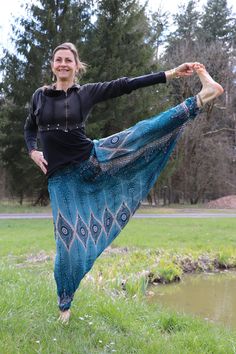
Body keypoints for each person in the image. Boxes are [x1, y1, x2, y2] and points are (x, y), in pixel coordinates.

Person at [24, 42, 223, 323]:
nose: (63, 64)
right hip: (60, 180)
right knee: (68, 245)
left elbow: (126, 85)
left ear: (76, 65)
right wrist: (32, 150)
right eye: (59, 60)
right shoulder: (39, 97)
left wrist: (170, 73)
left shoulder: (85, 93)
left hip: (93, 161)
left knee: (144, 133)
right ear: (53, 64)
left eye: (69, 60)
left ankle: (203, 97)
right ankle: (64, 306)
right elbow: (29, 127)